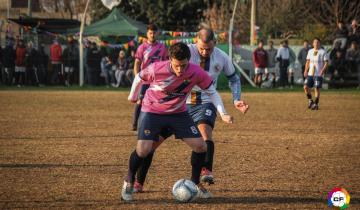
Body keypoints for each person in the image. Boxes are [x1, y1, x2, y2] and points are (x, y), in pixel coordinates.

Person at [132, 28, 249, 193]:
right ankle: (138, 181)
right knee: (150, 145)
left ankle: (205, 171)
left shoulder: (222, 58)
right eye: (202, 48)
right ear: (196, 41)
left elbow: (234, 78)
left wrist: (236, 99)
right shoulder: (185, 52)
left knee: (204, 134)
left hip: (205, 101)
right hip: (178, 104)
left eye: (209, 48)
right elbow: (165, 67)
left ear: (215, 43)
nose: (205, 52)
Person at [132, 24, 168, 131]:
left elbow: (166, 63)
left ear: (157, 33)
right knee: (141, 101)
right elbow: (137, 63)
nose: (152, 35)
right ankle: (135, 124)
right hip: (145, 79)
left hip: (158, 80)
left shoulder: (162, 47)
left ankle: (159, 125)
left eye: (154, 33)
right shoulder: (142, 47)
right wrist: (137, 77)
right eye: (150, 33)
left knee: (160, 101)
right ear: (147, 34)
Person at [304, 38, 329, 110]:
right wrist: (305, 70)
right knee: (305, 87)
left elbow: (326, 63)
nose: (316, 43)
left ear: (320, 43)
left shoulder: (323, 52)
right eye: (315, 42)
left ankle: (316, 104)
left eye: (317, 42)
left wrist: (322, 70)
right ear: (312, 44)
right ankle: (310, 101)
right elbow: (308, 62)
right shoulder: (310, 51)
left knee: (316, 88)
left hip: (318, 74)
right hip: (310, 73)